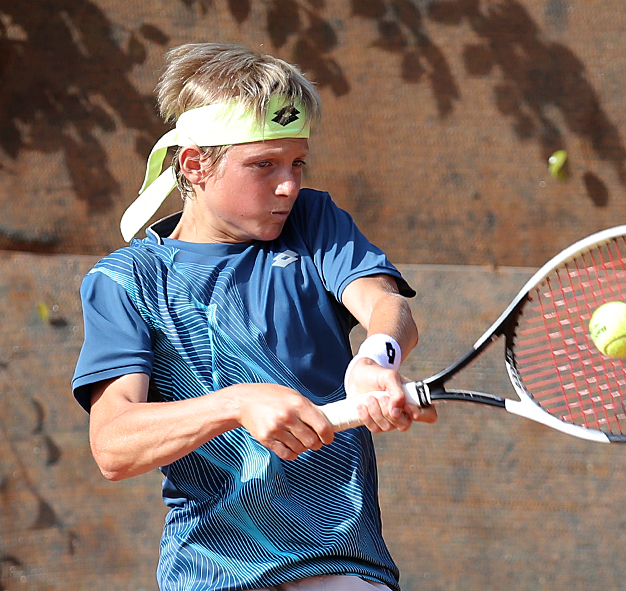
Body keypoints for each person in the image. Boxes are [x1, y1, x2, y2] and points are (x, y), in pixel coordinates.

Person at [71, 42, 436, 591]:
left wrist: (376, 354)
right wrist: (237, 404)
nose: (288, 184)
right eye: (263, 165)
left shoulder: (313, 222)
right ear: (195, 164)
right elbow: (114, 446)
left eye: (296, 162)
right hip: (207, 572)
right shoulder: (126, 281)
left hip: (340, 566)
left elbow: (388, 307)